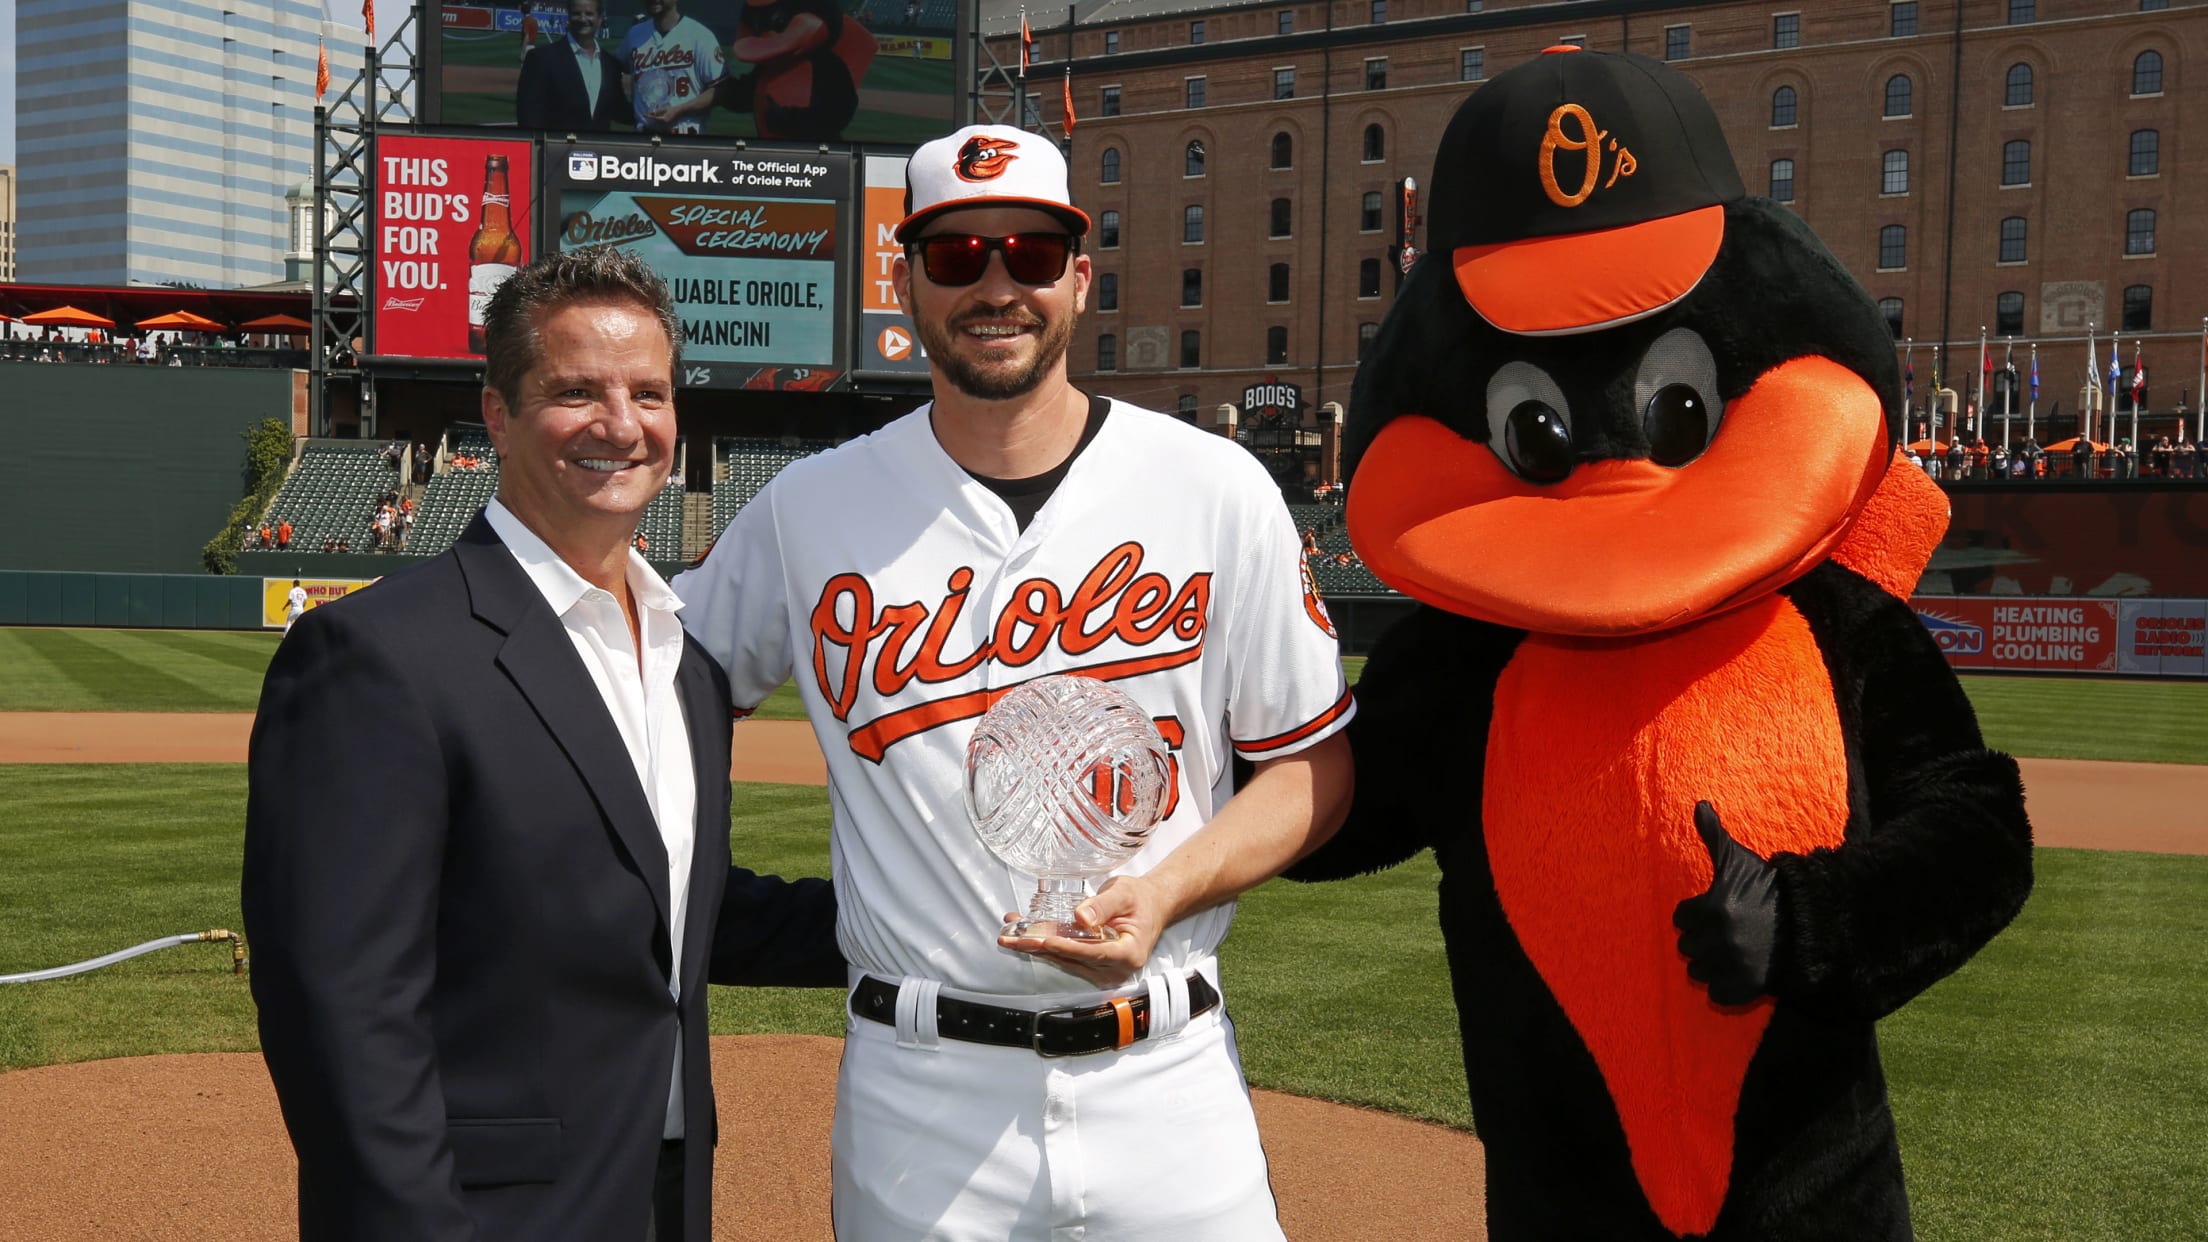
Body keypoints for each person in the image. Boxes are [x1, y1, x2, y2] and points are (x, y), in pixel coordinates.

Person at [674, 124, 1355, 1240]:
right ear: (904, 281)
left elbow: (1312, 767)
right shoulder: (811, 510)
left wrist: (1170, 888)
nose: (997, 285)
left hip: (1167, 1081)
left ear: (1080, 279)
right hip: (920, 1096)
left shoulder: (1213, 487)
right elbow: (642, 693)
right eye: (957, 257)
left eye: (1031, 255)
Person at [242, 246, 845, 1242]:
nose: (621, 424)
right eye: (576, 391)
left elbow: (664, 909)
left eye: (648, 393)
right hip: (483, 1216)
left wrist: (915, 920)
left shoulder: (683, 663)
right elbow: (340, 1008)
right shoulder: (375, 656)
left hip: (657, 1195)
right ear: (496, 416)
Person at [516, 0, 632, 131]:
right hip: (556, 149)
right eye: (577, 14)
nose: (583, 19)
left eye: (589, 14)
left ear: (599, 19)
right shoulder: (541, 58)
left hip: (598, 149)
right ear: (569, 17)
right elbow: (528, 116)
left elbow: (618, 109)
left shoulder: (611, 64)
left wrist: (650, 117)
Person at [620, 0, 725, 135]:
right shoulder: (634, 34)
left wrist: (679, 109)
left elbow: (721, 89)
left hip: (685, 138)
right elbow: (614, 69)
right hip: (643, 139)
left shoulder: (700, 35)